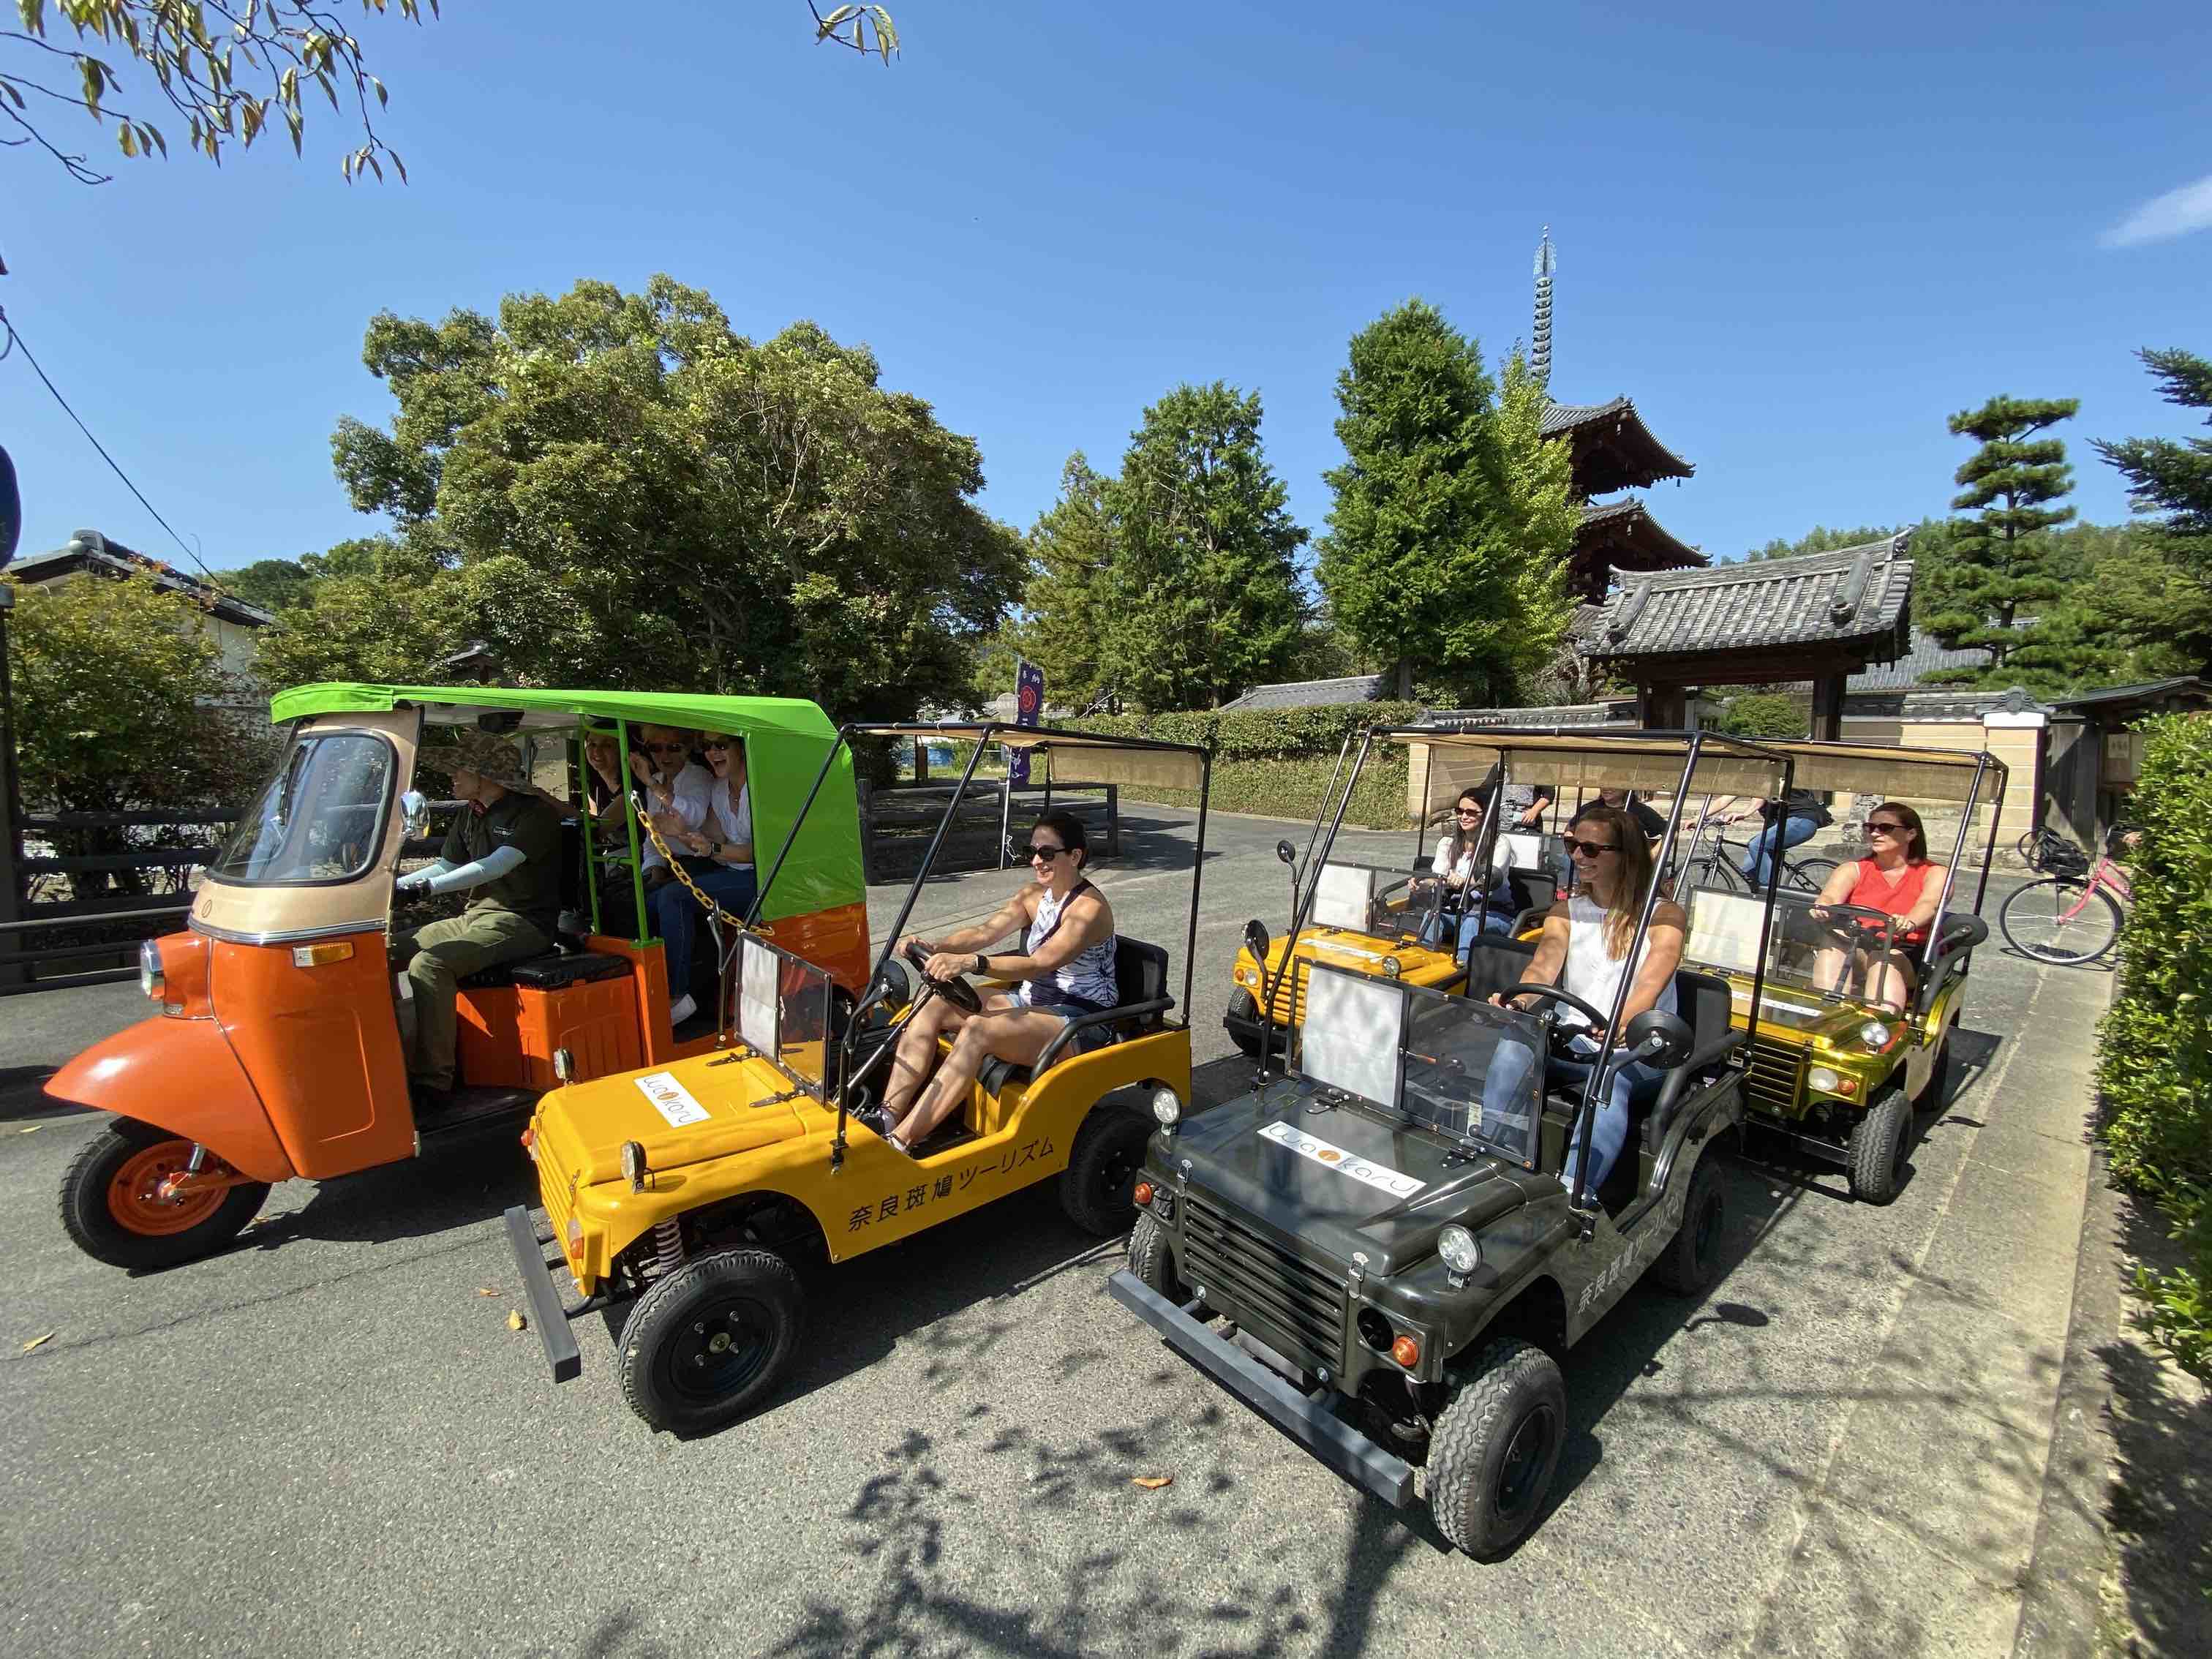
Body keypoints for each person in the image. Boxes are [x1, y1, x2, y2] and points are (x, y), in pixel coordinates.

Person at [872, 811, 1119, 1155]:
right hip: (1030, 1000)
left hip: (1079, 1018)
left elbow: (1039, 962)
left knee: (977, 1031)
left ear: (1075, 856)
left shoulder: (1089, 910)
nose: (1036, 860)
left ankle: (900, 1143)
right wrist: (935, 947)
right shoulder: (1034, 895)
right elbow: (984, 933)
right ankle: (887, 1116)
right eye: (1031, 850)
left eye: (1047, 853)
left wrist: (973, 964)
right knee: (929, 1005)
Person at [1479, 803, 1685, 1197]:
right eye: (1572, 844)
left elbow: (1652, 977)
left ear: (1625, 856)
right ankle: (1496, 1157)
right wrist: (1518, 1002)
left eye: (1591, 850)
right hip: (1576, 1037)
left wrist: (1624, 1019)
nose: (1577, 856)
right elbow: (1542, 968)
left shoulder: (1664, 915)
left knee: (1609, 1075)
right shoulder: (1566, 912)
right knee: (1513, 1045)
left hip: (1642, 1047)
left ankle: (1575, 1191)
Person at [392, 731, 564, 1106]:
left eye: (460, 769)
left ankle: (433, 1083)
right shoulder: (471, 813)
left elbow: (495, 865)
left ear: (487, 775)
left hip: (522, 923)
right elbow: (446, 865)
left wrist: (424, 890)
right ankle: (388, 1063)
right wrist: (388, 887)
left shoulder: (534, 813)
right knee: (383, 949)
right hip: (475, 917)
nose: (452, 776)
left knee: (429, 963)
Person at [650, 730, 758, 1028]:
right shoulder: (719, 789)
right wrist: (679, 833)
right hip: (732, 872)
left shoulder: (762, 787)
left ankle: (678, 995)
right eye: (707, 746)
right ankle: (693, 992)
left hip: (765, 880)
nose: (712, 752)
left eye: (721, 745)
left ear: (741, 748)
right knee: (656, 897)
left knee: (674, 896)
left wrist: (713, 849)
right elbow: (712, 841)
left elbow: (761, 854)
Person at [1808, 801, 1946, 1012]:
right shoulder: (1853, 869)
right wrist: (1824, 906)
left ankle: (1881, 1025)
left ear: (1910, 834)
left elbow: (1930, 904)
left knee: (1882, 958)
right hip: (1859, 943)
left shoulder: (1935, 873)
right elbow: (1830, 894)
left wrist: (1909, 921)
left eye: (1885, 828)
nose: (1874, 833)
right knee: (1833, 941)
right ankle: (1830, 1014)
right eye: (1870, 827)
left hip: (1904, 950)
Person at [1418, 788, 1519, 956]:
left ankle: (1463, 970)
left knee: (1472, 922)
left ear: (1486, 814)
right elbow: (1437, 878)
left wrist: (1463, 880)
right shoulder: (1448, 843)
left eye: (1471, 812)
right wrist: (1421, 883)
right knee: (1433, 914)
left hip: (1493, 912)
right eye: (1460, 811)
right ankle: (1422, 961)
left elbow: (1489, 879)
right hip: (1458, 909)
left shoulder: (1500, 844)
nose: (1464, 817)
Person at [1713, 786, 1832, 887]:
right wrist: (1697, 819)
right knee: (1749, 871)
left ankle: (1770, 895)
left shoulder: (1768, 771)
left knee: (1756, 845)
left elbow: (1762, 795)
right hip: (1781, 824)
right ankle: (1761, 901)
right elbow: (1723, 800)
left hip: (1801, 820)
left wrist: (1745, 813)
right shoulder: (1746, 778)